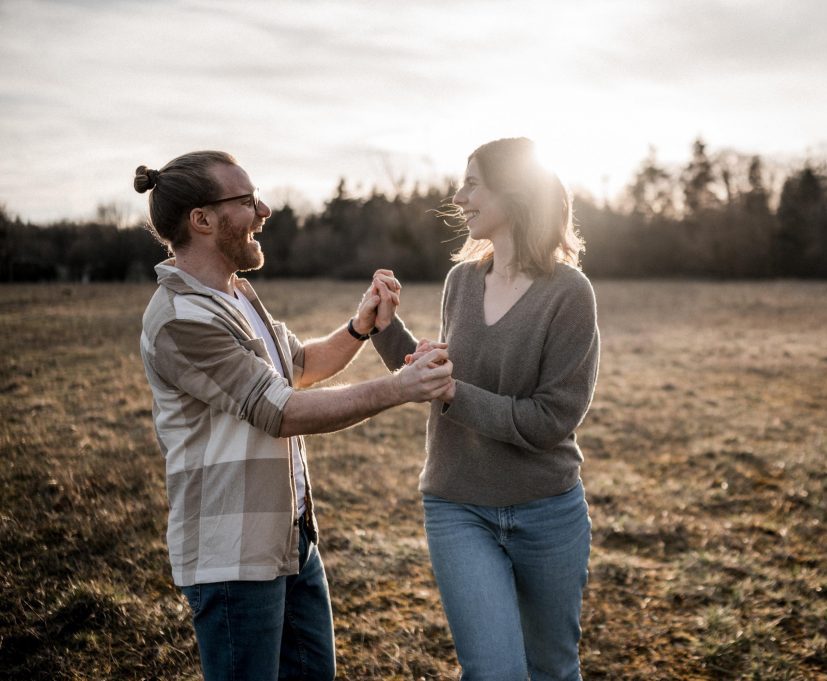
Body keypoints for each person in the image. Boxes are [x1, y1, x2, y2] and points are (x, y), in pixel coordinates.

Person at [134, 150, 453, 681]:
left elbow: (297, 366)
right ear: (203, 219)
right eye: (246, 199)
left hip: (291, 540)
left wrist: (360, 326)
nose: (264, 209)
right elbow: (277, 409)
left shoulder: (235, 295)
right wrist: (400, 388)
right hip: (234, 558)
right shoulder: (180, 317)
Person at [368, 137, 600, 680]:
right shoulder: (460, 282)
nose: (458, 195)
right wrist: (388, 331)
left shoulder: (570, 293)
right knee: (495, 672)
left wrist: (454, 393)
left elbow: (549, 421)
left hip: (548, 511)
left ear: (512, 191)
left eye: (472, 183)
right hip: (457, 506)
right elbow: (447, 376)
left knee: (552, 669)